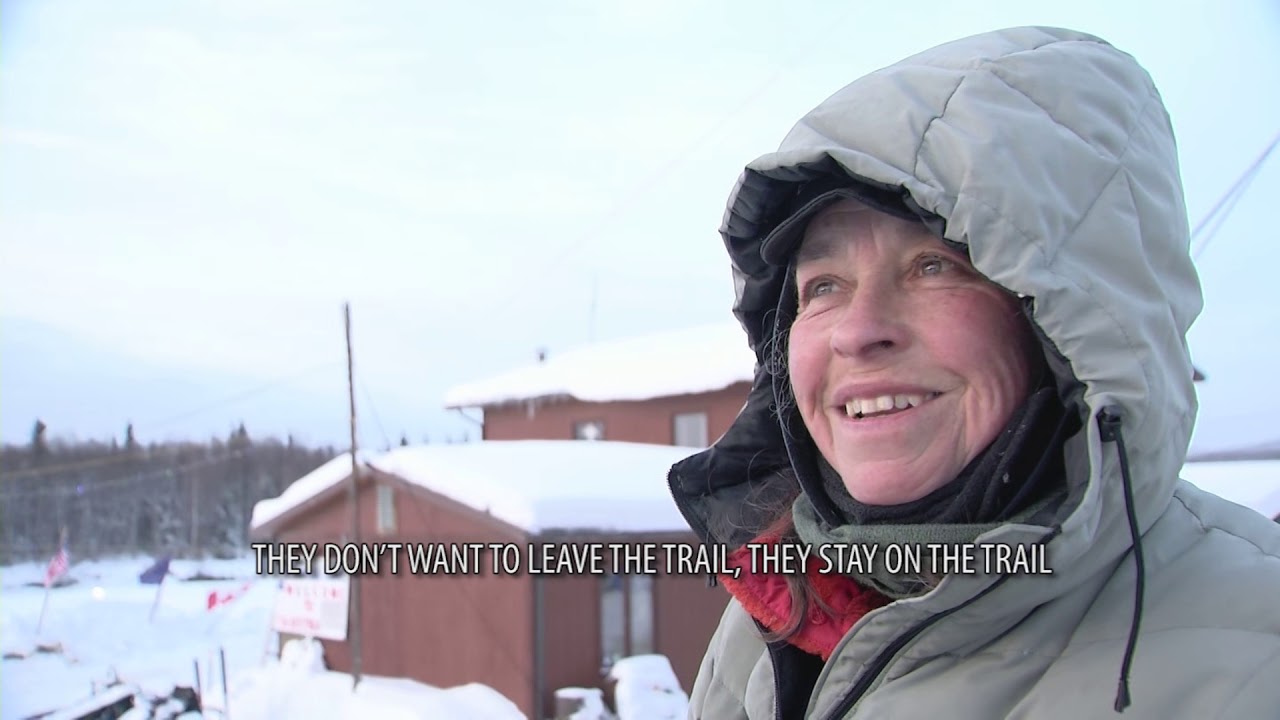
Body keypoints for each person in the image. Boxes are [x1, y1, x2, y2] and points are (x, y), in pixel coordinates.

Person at [667, 26, 1280, 719]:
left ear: (1066, 329)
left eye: (934, 267)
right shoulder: (780, 605)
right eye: (824, 285)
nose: (859, 332)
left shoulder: (1255, 653)